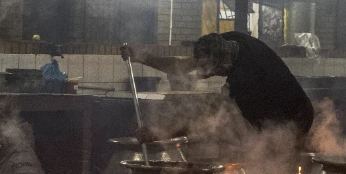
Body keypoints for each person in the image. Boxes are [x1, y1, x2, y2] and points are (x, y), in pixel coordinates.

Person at [122, 32, 314, 141]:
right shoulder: (231, 40)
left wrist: (162, 133)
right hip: (268, 115)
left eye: (212, 71)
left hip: (294, 120)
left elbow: (210, 116)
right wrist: (141, 57)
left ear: (225, 65)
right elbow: (179, 67)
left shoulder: (245, 77)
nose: (206, 73)